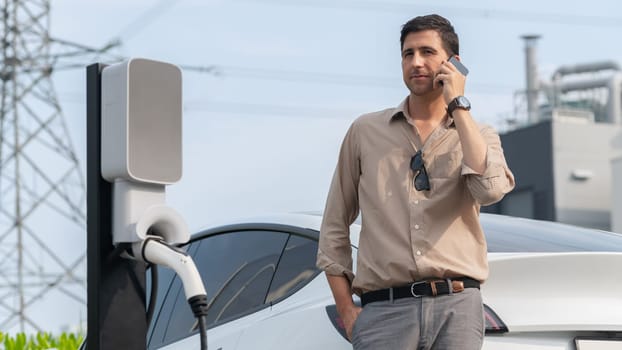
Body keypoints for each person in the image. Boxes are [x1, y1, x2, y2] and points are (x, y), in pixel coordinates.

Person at [316, 14, 515, 350]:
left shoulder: (478, 135)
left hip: (457, 308)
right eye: (408, 54)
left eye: (427, 52)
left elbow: (491, 189)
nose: (416, 62)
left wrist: (459, 106)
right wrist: (348, 311)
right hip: (384, 314)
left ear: (454, 64)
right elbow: (334, 226)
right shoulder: (365, 132)